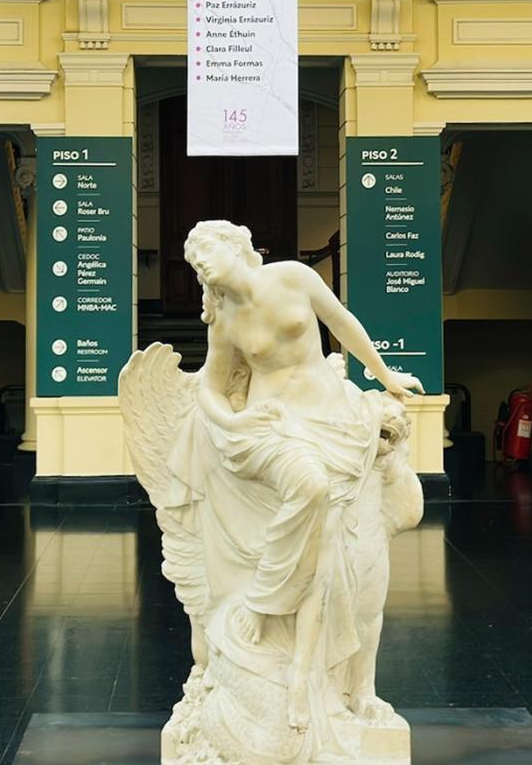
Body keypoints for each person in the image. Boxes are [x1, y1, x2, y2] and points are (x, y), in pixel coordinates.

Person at [180, 220, 422, 731]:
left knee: (331, 553)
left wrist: (386, 375)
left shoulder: (292, 277)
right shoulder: (223, 320)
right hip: (277, 431)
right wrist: (234, 419)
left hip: (335, 423)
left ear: (236, 245)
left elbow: (343, 323)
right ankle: (271, 616)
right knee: (312, 495)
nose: (200, 262)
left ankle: (317, 680)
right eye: (194, 259)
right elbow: (210, 386)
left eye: (206, 249)